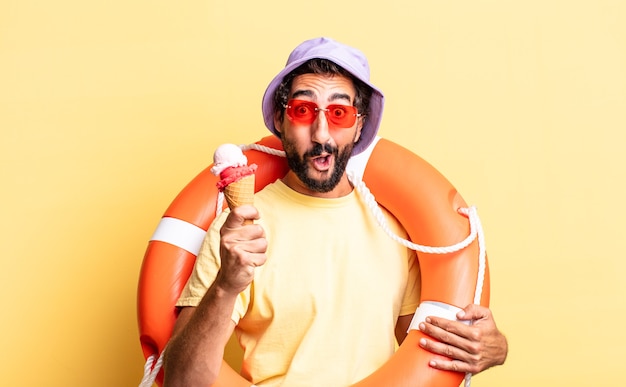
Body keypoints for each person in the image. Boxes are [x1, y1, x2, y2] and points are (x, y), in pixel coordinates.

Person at [162, 37, 508, 387]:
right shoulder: (238, 232)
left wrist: (489, 348)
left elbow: (426, 354)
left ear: (360, 125)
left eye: (339, 113)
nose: (321, 133)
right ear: (280, 120)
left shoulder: (394, 230)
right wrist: (225, 286)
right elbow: (180, 380)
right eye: (302, 110)